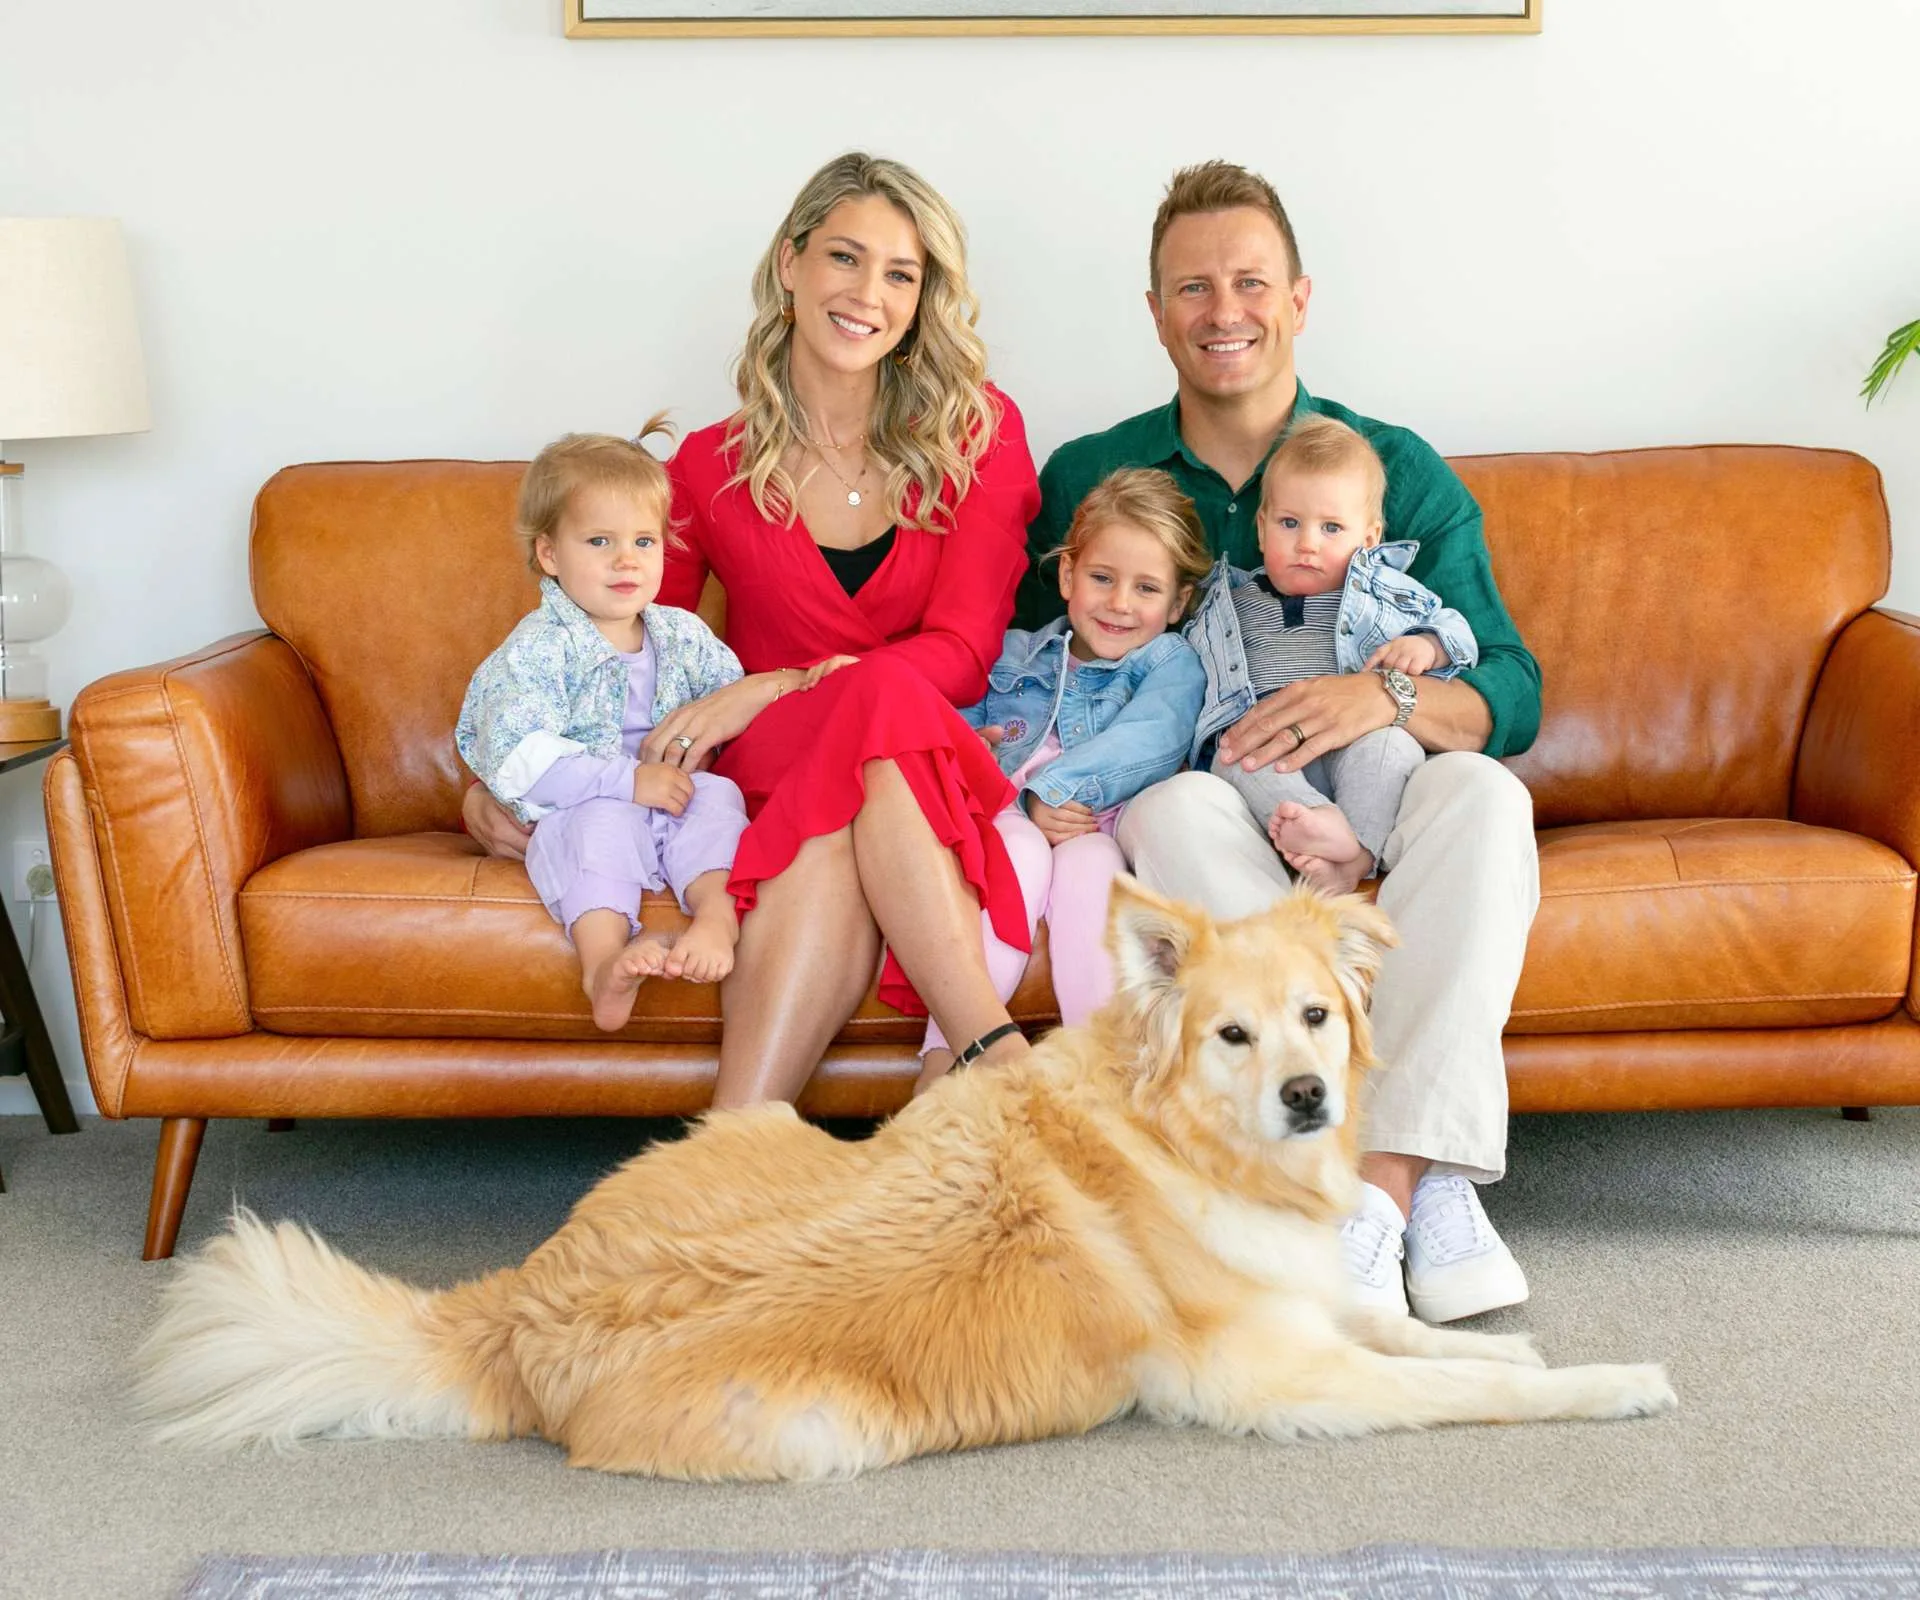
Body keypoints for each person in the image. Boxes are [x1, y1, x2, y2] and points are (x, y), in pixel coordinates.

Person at [1017, 160, 1543, 1326]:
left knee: (1487, 801)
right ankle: (1425, 1185)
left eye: (1250, 281)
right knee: (1166, 810)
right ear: (1155, 312)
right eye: (1192, 288)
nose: (1224, 311)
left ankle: (1383, 1185)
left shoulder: (1393, 468)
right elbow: (1032, 672)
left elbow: (1511, 686)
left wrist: (1385, 702)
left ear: (1299, 297)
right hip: (1223, 804)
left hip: (1386, 783)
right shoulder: (1093, 478)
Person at [463, 152, 1041, 1103]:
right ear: (790, 265)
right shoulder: (702, 466)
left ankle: (730, 1152)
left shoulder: (980, 432)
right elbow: (624, 649)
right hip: (770, 757)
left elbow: (966, 654)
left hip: (920, 749)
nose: (868, 294)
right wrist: (500, 781)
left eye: (901, 274)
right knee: (867, 730)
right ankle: (990, 1050)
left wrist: (778, 681)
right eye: (845, 259)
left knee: (857, 775)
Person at [457, 426, 750, 1031]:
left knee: (719, 798)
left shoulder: (683, 634)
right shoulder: (538, 649)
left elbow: (735, 706)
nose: (627, 559)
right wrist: (626, 781)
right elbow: (520, 755)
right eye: (599, 541)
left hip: (673, 795)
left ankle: (717, 920)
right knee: (596, 823)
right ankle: (603, 964)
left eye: (644, 540)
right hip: (596, 799)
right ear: (549, 554)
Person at [921, 466, 1209, 1076]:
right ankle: (949, 1057)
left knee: (1095, 881)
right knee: (1016, 855)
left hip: (1098, 823)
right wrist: (977, 755)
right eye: (1102, 578)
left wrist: (1053, 789)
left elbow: (1155, 734)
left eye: (1147, 589)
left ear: (1179, 602)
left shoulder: (1168, 660)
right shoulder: (1013, 652)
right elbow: (955, 720)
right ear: (1067, 574)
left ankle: (1103, 1072)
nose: (1120, 604)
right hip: (1010, 810)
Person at [1190, 414, 1478, 898]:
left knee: (1394, 747)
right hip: (1272, 745)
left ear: (1368, 540)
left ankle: (1357, 850)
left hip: (1356, 738)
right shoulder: (1227, 604)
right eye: (1288, 523)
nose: (1306, 543)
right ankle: (1314, 824)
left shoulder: (1386, 594)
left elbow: (1458, 632)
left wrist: (1426, 644)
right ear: (1260, 530)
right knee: (1231, 757)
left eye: (1331, 528)